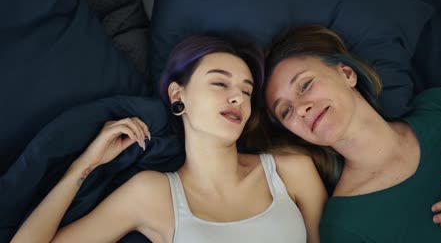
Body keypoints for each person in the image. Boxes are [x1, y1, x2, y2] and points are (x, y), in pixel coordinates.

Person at [12, 35, 327, 243]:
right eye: (220, 84)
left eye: (246, 91)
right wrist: (84, 166)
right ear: (179, 95)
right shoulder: (150, 194)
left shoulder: (291, 171)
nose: (237, 99)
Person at [263, 25, 441, 242]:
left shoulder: (440, 107)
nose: (301, 109)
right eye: (286, 111)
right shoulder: (343, 226)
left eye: (305, 85)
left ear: (347, 74)